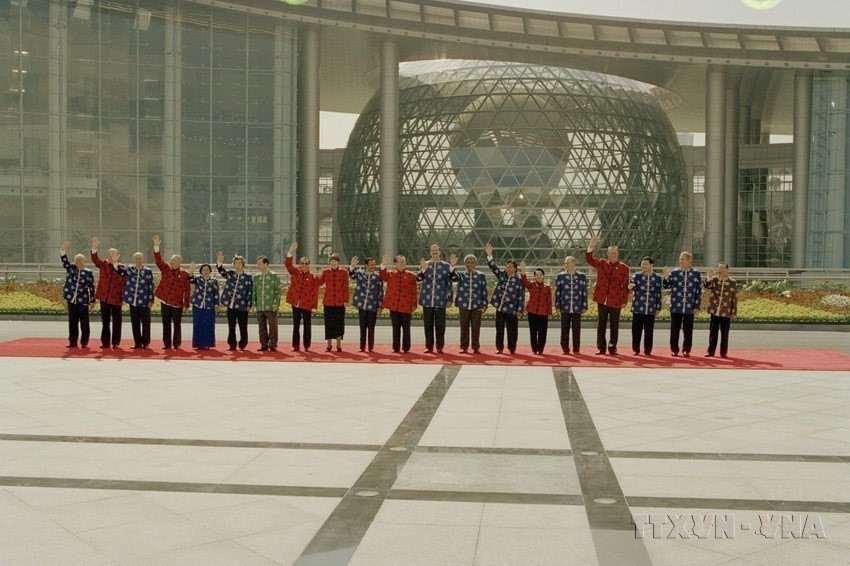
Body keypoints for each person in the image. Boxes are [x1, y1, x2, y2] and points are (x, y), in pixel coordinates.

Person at [585, 236, 630, 355]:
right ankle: (601, 347)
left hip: (616, 300)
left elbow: (625, 285)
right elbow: (589, 259)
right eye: (611, 253)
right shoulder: (602, 263)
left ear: (618, 253)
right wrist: (591, 246)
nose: (613, 255)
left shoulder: (624, 268)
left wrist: (624, 300)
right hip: (602, 299)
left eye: (615, 253)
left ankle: (612, 347)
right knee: (601, 325)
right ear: (607, 253)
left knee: (614, 326)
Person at [152, 235, 191, 349]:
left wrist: (186, 303)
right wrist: (156, 246)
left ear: (180, 262)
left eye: (175, 260)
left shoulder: (184, 273)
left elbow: (187, 289)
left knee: (177, 324)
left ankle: (177, 343)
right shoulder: (165, 268)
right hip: (165, 301)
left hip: (177, 303)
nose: (172, 262)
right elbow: (158, 260)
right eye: (172, 260)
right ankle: (167, 343)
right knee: (166, 323)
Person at [485, 243, 524, 354]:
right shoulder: (502, 275)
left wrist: (520, 310)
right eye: (507, 267)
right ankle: (499, 348)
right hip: (500, 308)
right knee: (499, 329)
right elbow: (493, 267)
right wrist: (489, 255)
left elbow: (521, 296)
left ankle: (512, 349)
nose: (508, 269)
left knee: (512, 330)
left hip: (512, 309)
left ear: (515, 269)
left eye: (510, 267)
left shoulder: (519, 280)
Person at [416, 244, 456, 354]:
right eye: (432, 250)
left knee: (440, 325)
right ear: (430, 253)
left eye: (436, 250)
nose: (434, 252)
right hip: (427, 300)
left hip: (440, 300)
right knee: (428, 325)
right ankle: (429, 346)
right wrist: (423, 270)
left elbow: (450, 283)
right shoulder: (425, 265)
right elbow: (418, 278)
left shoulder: (446, 266)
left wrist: (450, 299)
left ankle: (440, 346)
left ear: (439, 252)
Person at [663, 251, 702, 357]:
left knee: (688, 330)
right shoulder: (675, 272)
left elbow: (698, 291)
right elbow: (667, 286)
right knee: (674, 329)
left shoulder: (696, 273)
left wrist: (697, 306)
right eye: (680, 259)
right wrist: (666, 276)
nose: (680, 261)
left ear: (689, 260)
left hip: (689, 306)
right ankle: (674, 349)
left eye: (683, 259)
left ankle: (686, 350)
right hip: (676, 306)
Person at [90, 237, 126, 349]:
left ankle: (116, 342)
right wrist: (94, 248)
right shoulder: (103, 264)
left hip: (116, 298)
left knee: (117, 321)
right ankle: (105, 342)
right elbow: (95, 260)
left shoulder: (122, 268)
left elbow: (124, 281)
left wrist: (124, 297)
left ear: (118, 256)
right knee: (105, 321)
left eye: (114, 254)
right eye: (110, 254)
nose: (111, 256)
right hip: (104, 297)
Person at [380, 254, 418, 353]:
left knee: (406, 329)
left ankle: (406, 348)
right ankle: (396, 348)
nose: (402, 264)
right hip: (394, 306)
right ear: (395, 263)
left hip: (406, 306)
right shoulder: (391, 273)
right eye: (400, 262)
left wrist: (414, 304)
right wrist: (383, 265)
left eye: (404, 262)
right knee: (395, 328)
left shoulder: (411, 275)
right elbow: (382, 276)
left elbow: (414, 291)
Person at [60, 241, 95, 348]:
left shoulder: (88, 272)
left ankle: (84, 342)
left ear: (84, 261)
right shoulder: (71, 268)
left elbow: (92, 287)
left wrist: (92, 300)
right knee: (72, 321)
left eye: (80, 260)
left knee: (84, 322)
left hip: (83, 300)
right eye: (77, 260)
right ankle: (72, 342)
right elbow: (65, 261)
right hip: (71, 299)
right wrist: (63, 250)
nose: (78, 261)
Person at [284, 242, 319, 352]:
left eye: (306, 263)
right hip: (296, 303)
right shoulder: (295, 272)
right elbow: (288, 265)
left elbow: (315, 291)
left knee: (307, 325)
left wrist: (314, 306)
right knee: (296, 325)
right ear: (299, 264)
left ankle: (307, 346)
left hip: (307, 304)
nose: (304, 265)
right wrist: (290, 252)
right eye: (302, 263)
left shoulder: (312, 276)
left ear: (309, 264)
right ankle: (295, 346)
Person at [217, 251, 254, 351]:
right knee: (231, 326)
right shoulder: (230, 274)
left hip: (242, 306)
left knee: (243, 326)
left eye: (240, 263)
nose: (238, 265)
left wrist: (249, 304)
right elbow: (221, 271)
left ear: (243, 265)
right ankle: (232, 344)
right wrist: (220, 262)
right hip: (231, 305)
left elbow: (250, 292)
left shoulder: (248, 277)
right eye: (236, 263)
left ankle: (243, 343)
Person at [629, 256, 663, 356]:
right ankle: (636, 349)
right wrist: (630, 286)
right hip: (638, 307)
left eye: (645, 264)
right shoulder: (637, 276)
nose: (643, 266)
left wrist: (658, 307)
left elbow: (658, 293)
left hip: (650, 308)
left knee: (649, 331)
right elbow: (632, 287)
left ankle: (648, 350)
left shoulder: (657, 278)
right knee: (636, 331)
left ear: (651, 265)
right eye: (642, 264)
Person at [454, 254, 488, 354]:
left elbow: (484, 290)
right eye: (468, 262)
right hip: (464, 304)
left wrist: (485, 303)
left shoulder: (481, 275)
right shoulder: (460, 274)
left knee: (476, 327)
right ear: (465, 263)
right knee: (464, 326)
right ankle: (464, 347)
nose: (470, 264)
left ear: (475, 263)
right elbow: (452, 276)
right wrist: (453, 265)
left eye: (472, 262)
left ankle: (476, 346)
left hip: (476, 304)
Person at [349, 256, 384, 352]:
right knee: (362, 327)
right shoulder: (360, 273)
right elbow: (352, 275)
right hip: (362, 305)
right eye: (371, 264)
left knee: (371, 327)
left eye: (374, 264)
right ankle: (362, 347)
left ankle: (371, 347)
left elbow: (380, 292)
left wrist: (380, 306)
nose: (373, 266)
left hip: (373, 306)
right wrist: (352, 265)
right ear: (366, 265)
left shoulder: (378, 277)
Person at [554, 256, 588, 355]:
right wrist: (557, 306)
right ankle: (565, 349)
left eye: (568, 263)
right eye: (565, 263)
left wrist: (584, 306)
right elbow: (557, 292)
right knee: (564, 329)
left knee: (576, 330)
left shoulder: (582, 276)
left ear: (574, 263)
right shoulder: (560, 276)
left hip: (577, 307)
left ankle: (576, 349)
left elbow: (584, 292)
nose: (566, 265)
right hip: (565, 306)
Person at [704, 262, 738, 358]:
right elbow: (707, 286)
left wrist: (734, 311)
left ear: (727, 269)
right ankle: (710, 352)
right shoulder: (714, 280)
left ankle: (723, 353)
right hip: (715, 310)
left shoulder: (732, 282)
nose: (721, 270)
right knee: (713, 332)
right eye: (719, 268)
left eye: (723, 268)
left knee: (725, 333)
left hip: (726, 311)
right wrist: (709, 277)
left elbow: (734, 298)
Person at [317, 253, 349, 352]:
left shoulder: (344, 272)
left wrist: (345, 300)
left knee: (339, 323)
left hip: (339, 302)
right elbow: (319, 282)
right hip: (328, 301)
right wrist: (314, 276)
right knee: (329, 323)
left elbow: (346, 287)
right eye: (331, 261)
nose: (333, 263)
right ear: (329, 262)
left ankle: (338, 345)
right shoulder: (325, 271)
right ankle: (329, 345)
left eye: (335, 261)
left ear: (338, 262)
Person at [123, 252, 155, 349]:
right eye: (136, 259)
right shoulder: (130, 269)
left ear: (143, 259)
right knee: (135, 322)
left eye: (139, 258)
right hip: (133, 300)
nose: (138, 260)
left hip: (144, 301)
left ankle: (146, 342)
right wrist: (116, 261)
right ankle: (137, 342)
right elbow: (119, 271)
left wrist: (151, 300)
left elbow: (151, 286)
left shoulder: (148, 271)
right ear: (134, 260)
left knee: (146, 323)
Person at [520, 263, 553, 355]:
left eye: (540, 274)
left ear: (543, 276)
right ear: (534, 276)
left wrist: (550, 313)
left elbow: (549, 301)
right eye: (537, 275)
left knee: (543, 332)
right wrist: (523, 271)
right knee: (533, 331)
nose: (539, 276)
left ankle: (541, 349)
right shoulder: (531, 285)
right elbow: (524, 281)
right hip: (532, 311)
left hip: (544, 312)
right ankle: (534, 349)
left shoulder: (547, 288)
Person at [187, 262, 220, 350]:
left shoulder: (214, 281)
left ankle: (207, 343)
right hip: (198, 305)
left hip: (209, 306)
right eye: (204, 270)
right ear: (201, 271)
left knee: (209, 325)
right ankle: (198, 344)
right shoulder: (197, 279)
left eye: (207, 270)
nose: (205, 271)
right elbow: (190, 280)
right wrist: (191, 272)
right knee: (198, 325)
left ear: (210, 271)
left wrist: (216, 305)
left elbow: (216, 294)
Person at [253, 256, 282, 352]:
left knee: (273, 326)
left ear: (266, 264)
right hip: (260, 306)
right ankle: (264, 344)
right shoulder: (256, 277)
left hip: (271, 306)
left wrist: (276, 304)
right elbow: (254, 292)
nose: (258, 265)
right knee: (261, 326)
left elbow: (278, 291)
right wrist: (254, 304)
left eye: (260, 263)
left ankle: (273, 344)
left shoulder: (274, 276)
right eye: (257, 264)